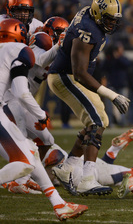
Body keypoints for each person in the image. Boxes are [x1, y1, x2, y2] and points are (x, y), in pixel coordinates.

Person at [0, 18, 87, 221]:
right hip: (10, 105)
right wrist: (41, 114)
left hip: (5, 106)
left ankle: (59, 205)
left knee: (31, 153)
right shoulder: (20, 49)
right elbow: (21, 91)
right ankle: (20, 183)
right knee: (23, 162)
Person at [48, 0, 130, 196]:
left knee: (100, 118)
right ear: (97, 14)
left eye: (114, 19)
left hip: (71, 75)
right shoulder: (89, 30)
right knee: (97, 121)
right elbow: (80, 73)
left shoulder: (91, 18)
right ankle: (86, 179)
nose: (112, 23)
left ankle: (67, 167)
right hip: (65, 76)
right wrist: (112, 95)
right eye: (109, 18)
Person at [2, 16, 68, 191]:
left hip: (25, 98)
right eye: (60, 33)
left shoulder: (57, 47)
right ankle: (19, 181)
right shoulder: (41, 39)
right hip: (13, 94)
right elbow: (40, 60)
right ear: (50, 31)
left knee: (47, 139)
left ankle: (35, 175)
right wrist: (58, 46)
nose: (63, 36)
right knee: (21, 135)